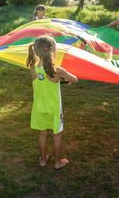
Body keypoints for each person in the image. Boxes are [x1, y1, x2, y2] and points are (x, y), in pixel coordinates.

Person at [26, 36, 78, 169]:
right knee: (57, 135)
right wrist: (65, 77)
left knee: (42, 133)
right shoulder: (57, 70)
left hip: (39, 107)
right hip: (54, 109)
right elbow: (75, 79)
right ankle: (57, 162)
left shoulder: (32, 68)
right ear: (52, 51)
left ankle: (43, 160)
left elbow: (41, 80)